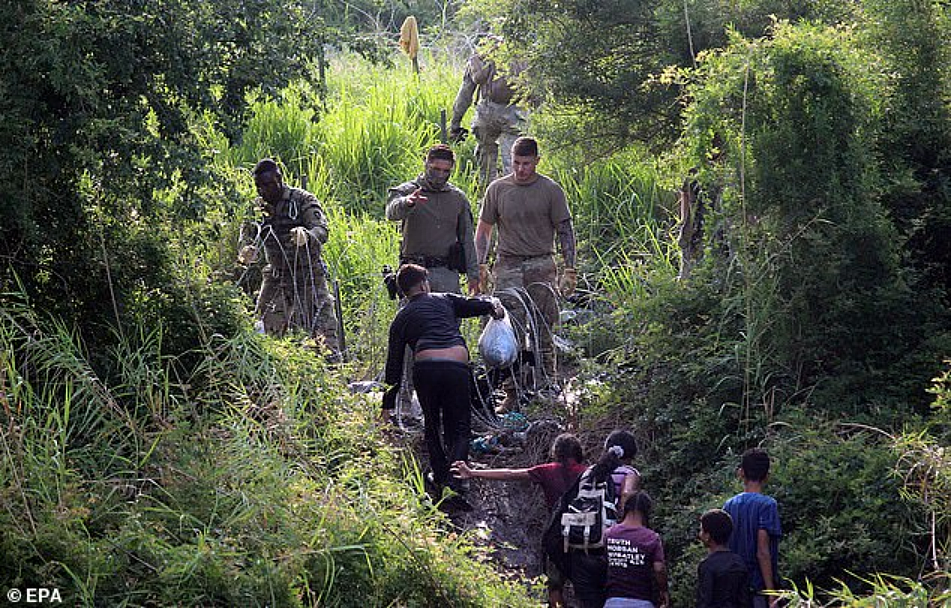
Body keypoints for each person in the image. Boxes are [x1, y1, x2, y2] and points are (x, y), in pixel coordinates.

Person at [382, 264, 504, 500]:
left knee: (432, 425)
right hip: (456, 367)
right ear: (423, 285)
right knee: (459, 426)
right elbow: (477, 305)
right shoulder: (445, 299)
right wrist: (494, 307)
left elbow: (394, 365)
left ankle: (439, 477)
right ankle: (455, 482)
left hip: (426, 369)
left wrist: (387, 405)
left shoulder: (401, 318)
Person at [475, 136, 577, 412]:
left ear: (537, 161)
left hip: (542, 264)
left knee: (543, 329)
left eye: (527, 164)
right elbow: (484, 230)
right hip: (507, 265)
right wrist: (480, 265)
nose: (521, 170)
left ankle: (546, 387)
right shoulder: (497, 189)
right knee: (509, 332)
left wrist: (570, 268)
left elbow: (565, 231)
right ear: (511, 160)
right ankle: (513, 393)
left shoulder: (550, 190)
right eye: (517, 163)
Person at [451, 433, 586, 608]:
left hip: (556, 535)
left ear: (556, 452)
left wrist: (472, 473)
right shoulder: (587, 473)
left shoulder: (547, 471)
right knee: (585, 587)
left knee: (554, 584)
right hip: (585, 535)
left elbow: (509, 474)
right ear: (578, 452)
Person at [238, 159, 340, 356]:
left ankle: (334, 373)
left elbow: (322, 230)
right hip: (277, 276)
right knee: (265, 330)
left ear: (279, 179)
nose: (263, 191)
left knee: (323, 330)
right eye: (258, 186)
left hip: (308, 274)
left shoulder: (302, 200)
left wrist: (307, 236)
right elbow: (246, 236)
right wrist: (246, 250)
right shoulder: (257, 208)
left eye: (267, 185)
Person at [561, 430, 642, 608]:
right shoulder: (629, 473)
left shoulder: (590, 472)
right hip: (611, 551)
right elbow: (627, 494)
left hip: (582, 545)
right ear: (632, 453)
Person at [386, 144, 479, 294]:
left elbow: (467, 238)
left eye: (446, 171)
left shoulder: (457, 198)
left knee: (448, 316)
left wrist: (473, 275)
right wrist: (407, 203)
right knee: (414, 316)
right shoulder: (408, 191)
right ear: (426, 164)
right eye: (436, 169)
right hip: (414, 274)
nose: (441, 175)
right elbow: (391, 212)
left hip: (446, 274)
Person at [449, 35, 529, 186]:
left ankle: (487, 198)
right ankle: (512, 198)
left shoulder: (481, 57)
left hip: (486, 112)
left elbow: (465, 94)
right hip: (515, 114)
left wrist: (455, 123)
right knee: (512, 163)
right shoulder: (522, 55)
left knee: (485, 165)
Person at [723, 448, 782, 608]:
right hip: (756, 586)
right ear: (766, 476)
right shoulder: (767, 505)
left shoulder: (729, 505)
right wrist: (771, 594)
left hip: (733, 585)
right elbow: (762, 551)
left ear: (741, 473)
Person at [603, 492, 670, 608]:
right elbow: (659, 569)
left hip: (613, 600)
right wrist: (663, 590)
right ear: (647, 512)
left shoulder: (609, 534)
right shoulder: (652, 538)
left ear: (625, 508)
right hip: (642, 600)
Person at [696, 508, 752, 608]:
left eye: (701, 530)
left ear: (708, 536)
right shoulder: (739, 562)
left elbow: (705, 600)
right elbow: (745, 599)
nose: (699, 534)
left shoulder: (707, 565)